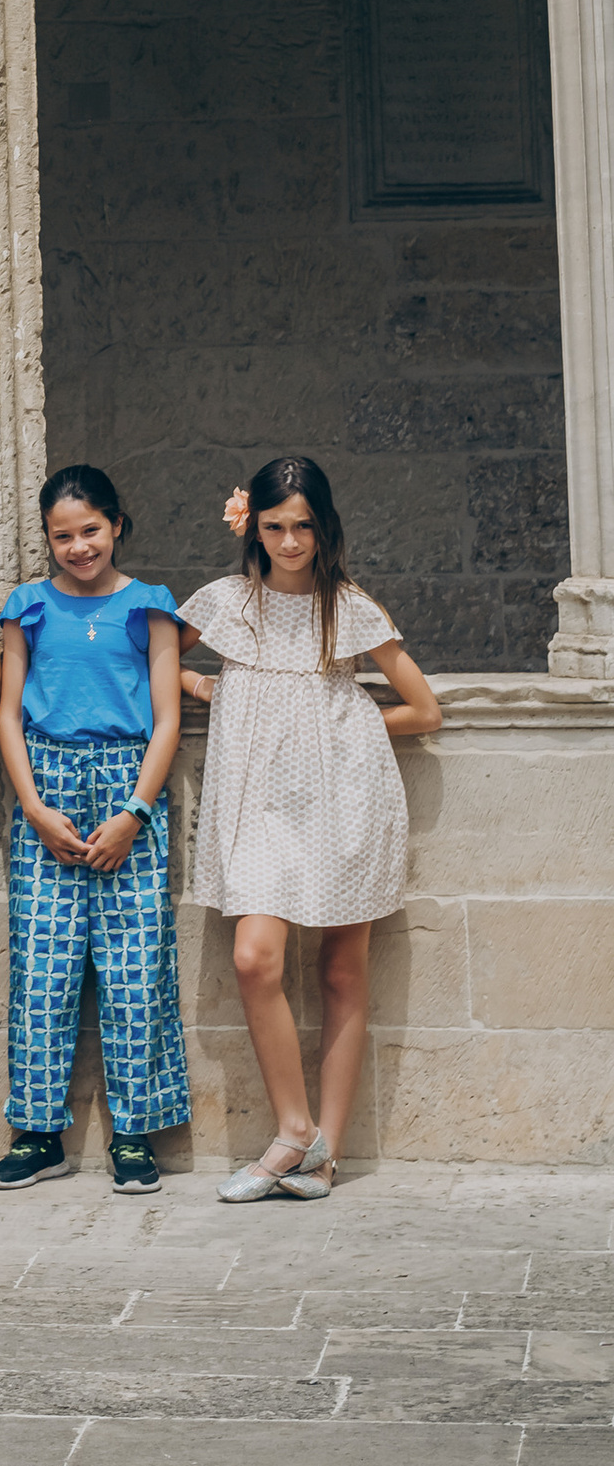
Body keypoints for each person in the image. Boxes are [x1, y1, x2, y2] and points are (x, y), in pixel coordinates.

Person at [181, 454, 442, 1200]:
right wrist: (203, 683)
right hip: (259, 807)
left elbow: (423, 709)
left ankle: (324, 1160)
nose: (290, 542)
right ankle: (293, 1131)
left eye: (303, 527)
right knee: (256, 958)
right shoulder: (228, 602)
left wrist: (346, 726)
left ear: (324, 528)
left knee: (340, 972)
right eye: (274, 527)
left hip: (341, 801)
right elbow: (152, 652)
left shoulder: (350, 608)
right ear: (251, 527)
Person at [0, 463, 186, 1196]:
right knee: (43, 968)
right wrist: (33, 806)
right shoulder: (28, 607)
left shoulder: (151, 606)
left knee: (135, 969)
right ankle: (38, 1134)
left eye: (91, 530)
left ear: (117, 525)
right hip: (47, 783)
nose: (78, 546)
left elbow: (167, 719)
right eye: (62, 535)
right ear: (47, 538)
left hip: (130, 786)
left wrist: (135, 812)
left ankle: (133, 1136)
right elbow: (8, 713)